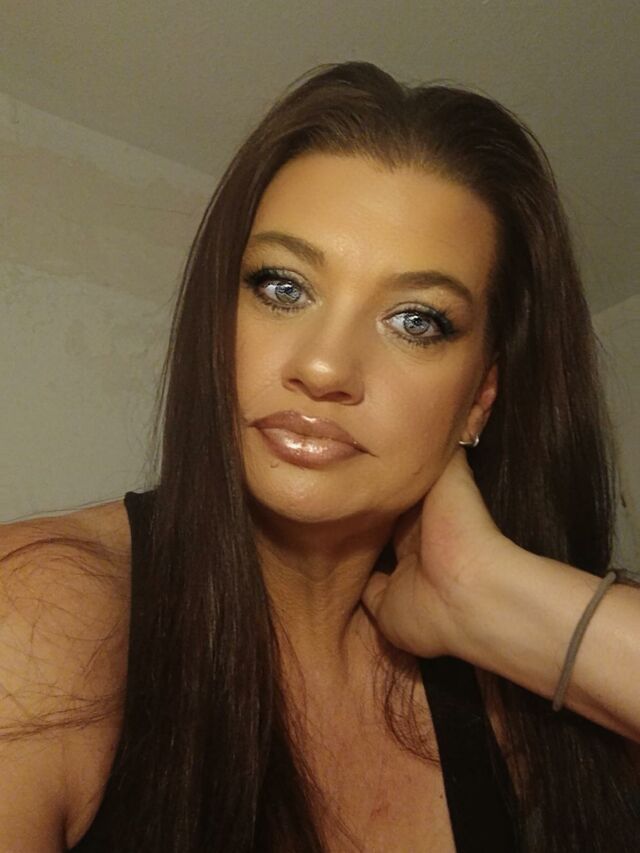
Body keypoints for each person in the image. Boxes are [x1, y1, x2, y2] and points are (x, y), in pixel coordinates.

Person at [0, 61, 638, 853]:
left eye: (416, 321)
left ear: (479, 397)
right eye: (283, 286)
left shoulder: (507, 685)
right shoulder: (42, 608)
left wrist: (497, 593)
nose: (325, 366)